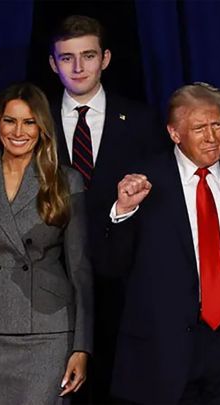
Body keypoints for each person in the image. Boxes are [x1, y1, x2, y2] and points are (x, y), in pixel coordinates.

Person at [104, 82, 220, 404]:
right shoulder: (143, 182)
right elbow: (112, 264)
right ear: (174, 133)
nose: (211, 137)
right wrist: (123, 211)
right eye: (199, 128)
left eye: (217, 125)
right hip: (163, 348)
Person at [0, 82, 93, 404]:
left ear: (42, 128)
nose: (18, 131)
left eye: (29, 122)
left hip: (49, 332)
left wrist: (82, 346)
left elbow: (80, 269)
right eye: (10, 121)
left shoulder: (65, 181)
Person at [48, 15, 170, 403]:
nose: (78, 67)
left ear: (105, 58)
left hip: (123, 289)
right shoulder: (35, 122)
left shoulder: (142, 121)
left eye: (88, 56)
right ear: (53, 63)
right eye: (67, 58)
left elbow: (160, 204)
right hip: (50, 291)